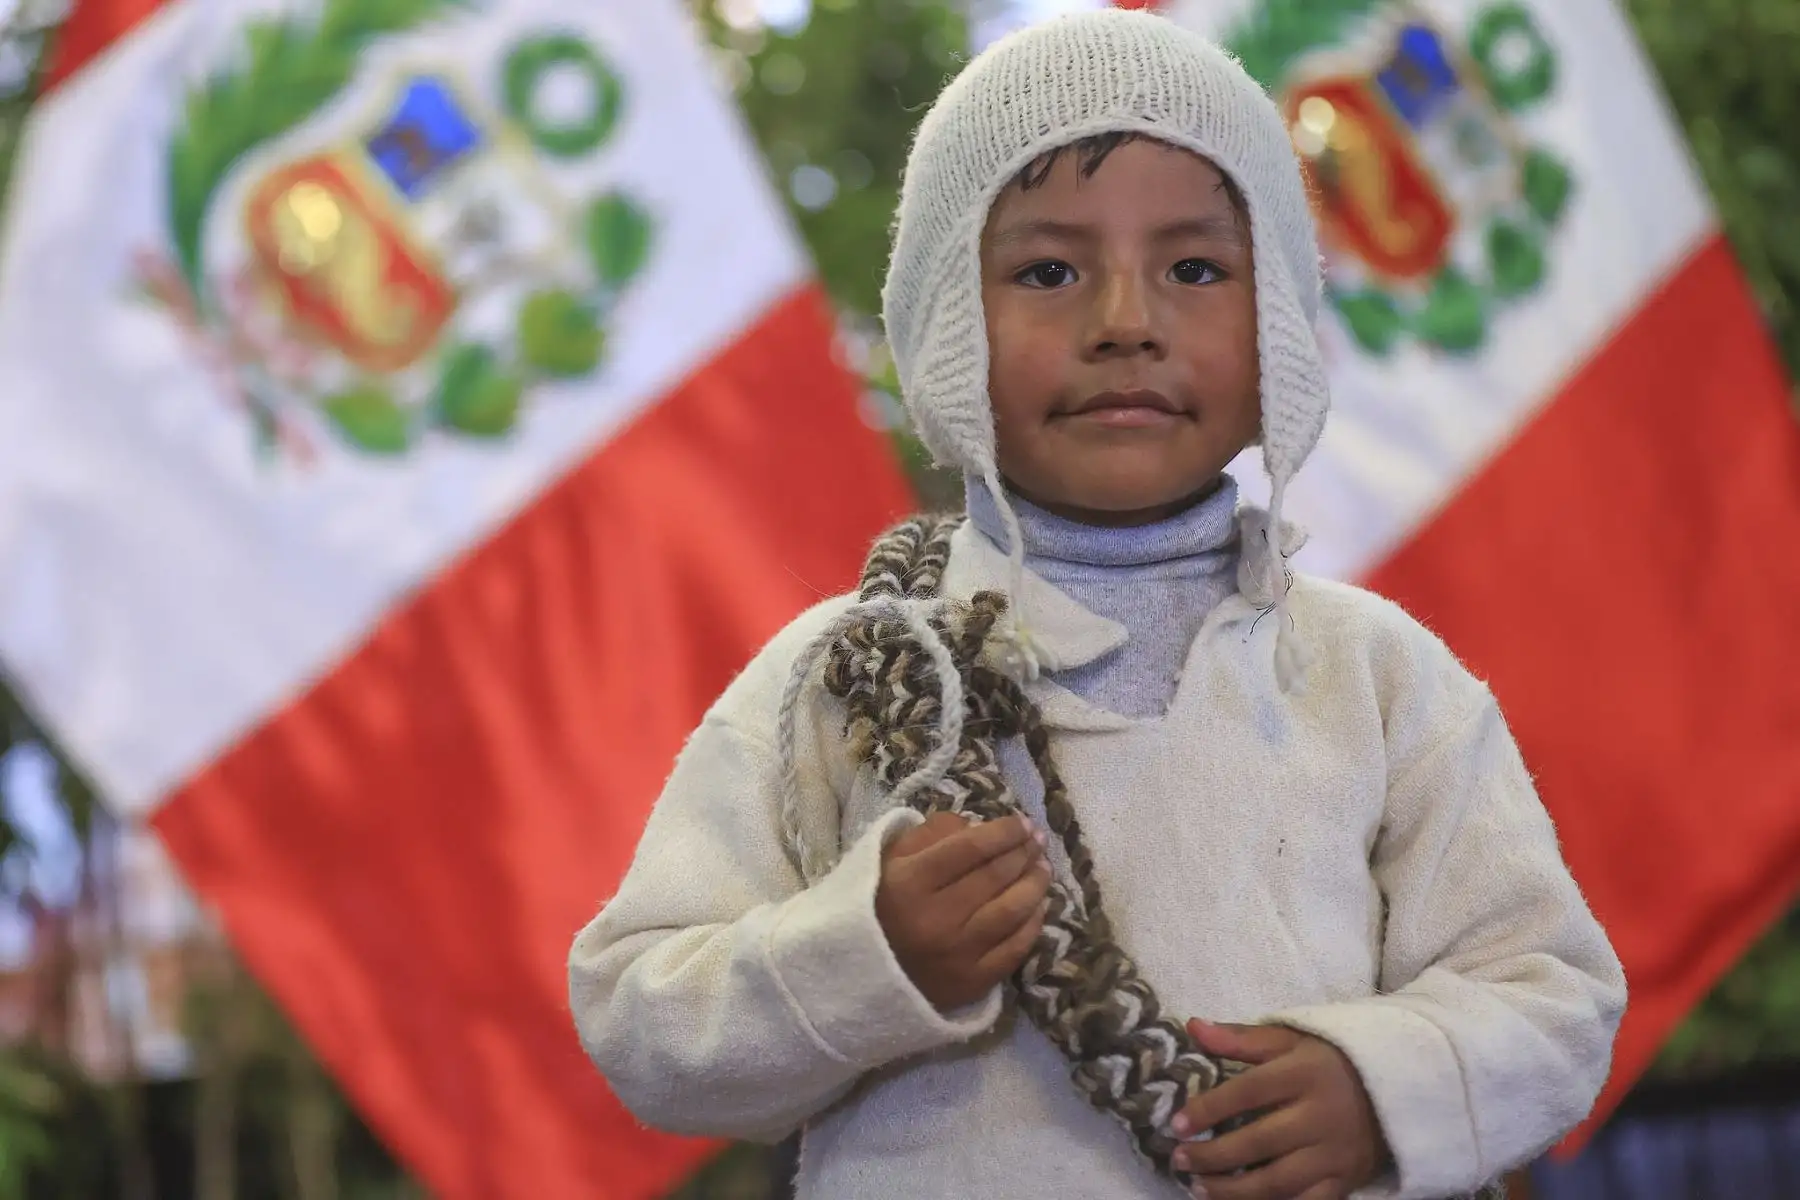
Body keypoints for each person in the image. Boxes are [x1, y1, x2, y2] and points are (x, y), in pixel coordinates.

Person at [568, 10, 1626, 1199]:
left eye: (1194, 269)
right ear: (944, 325)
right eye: (1048, 270)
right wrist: (866, 957)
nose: (1126, 320)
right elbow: (641, 1021)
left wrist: (1385, 1092)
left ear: (1277, 322)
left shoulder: (1374, 675)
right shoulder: (840, 679)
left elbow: (1555, 994)